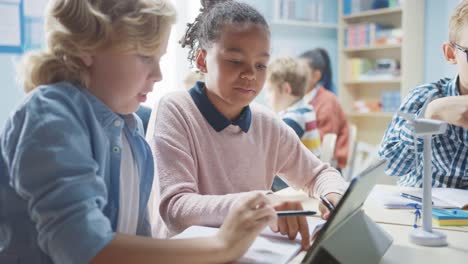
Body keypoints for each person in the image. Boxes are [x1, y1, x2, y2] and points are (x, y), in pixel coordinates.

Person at [0, 1, 277, 263]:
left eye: (159, 58)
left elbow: (139, 241)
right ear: (87, 48)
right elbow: (82, 248)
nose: (157, 74)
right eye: (146, 56)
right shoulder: (50, 116)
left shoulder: (130, 130)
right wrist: (220, 245)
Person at [148, 0, 347, 249]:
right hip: (188, 253)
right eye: (234, 60)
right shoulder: (175, 109)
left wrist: (333, 198)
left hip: (250, 251)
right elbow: (176, 209)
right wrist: (259, 203)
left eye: (261, 65)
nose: (250, 74)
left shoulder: (267, 123)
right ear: (202, 61)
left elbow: (320, 174)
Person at [379, 0, 468, 189]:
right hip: (419, 209)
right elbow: (390, 166)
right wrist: (430, 114)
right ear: (451, 53)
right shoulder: (427, 96)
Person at [300, 48, 350, 170]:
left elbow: (324, 144)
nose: (296, 76)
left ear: (316, 76)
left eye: (301, 72)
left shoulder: (328, 101)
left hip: (327, 166)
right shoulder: (304, 98)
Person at [266, 57, 321, 156]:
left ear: (286, 89)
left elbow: (269, 150)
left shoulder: (293, 119)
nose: (267, 97)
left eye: (270, 90)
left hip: (303, 171)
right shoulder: (306, 109)